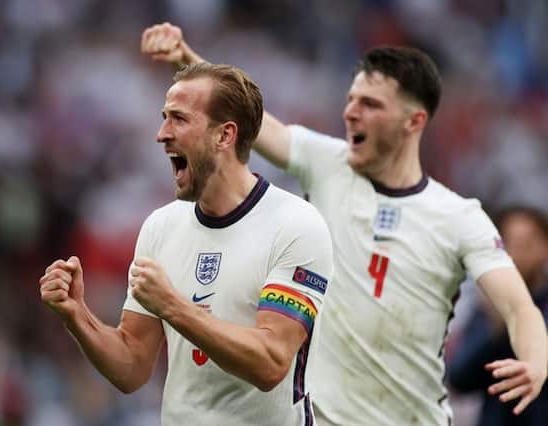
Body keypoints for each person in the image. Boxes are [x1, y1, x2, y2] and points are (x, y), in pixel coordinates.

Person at [140, 23, 548, 425]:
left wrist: (535, 362)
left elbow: (519, 308)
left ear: (414, 122)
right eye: (351, 100)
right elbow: (245, 122)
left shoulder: (459, 215)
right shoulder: (327, 164)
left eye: (370, 104)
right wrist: (186, 60)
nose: (350, 112)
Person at [38, 62, 334, 426]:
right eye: (164, 118)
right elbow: (132, 367)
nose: (161, 134)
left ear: (224, 135)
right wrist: (77, 315)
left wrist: (174, 306)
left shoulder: (296, 225)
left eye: (179, 119)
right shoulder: (160, 227)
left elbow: (271, 363)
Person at [448, 206, 548, 426]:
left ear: (545, 248)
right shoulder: (490, 306)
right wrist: (495, 330)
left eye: (527, 244)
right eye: (510, 245)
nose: (518, 254)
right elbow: (459, 378)